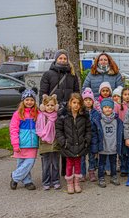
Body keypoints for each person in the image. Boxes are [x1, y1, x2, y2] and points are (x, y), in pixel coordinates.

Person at [39, 49, 80, 177]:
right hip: (52, 110)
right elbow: (43, 93)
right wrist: (44, 106)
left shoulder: (72, 75)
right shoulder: (48, 74)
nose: (62, 60)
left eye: (64, 58)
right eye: (60, 58)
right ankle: (49, 170)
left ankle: (64, 170)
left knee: (66, 137)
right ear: (56, 59)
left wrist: (74, 106)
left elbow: (76, 92)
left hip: (67, 110)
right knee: (52, 138)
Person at [56, 93, 91, 194]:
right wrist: (63, 142)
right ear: (70, 103)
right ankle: (70, 184)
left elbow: (88, 129)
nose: (76, 105)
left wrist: (86, 140)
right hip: (68, 145)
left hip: (80, 145)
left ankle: (77, 183)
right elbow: (59, 130)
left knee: (78, 164)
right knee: (69, 164)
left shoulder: (84, 116)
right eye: (74, 102)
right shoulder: (64, 116)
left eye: (78, 103)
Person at [9, 88, 39, 191]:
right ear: (23, 101)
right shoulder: (18, 114)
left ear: (34, 101)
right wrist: (15, 144)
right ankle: (27, 181)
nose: (29, 102)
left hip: (32, 143)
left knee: (29, 163)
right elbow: (13, 129)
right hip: (21, 143)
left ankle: (15, 176)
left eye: (31, 100)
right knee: (21, 163)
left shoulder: (37, 113)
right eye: (27, 100)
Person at [96, 98, 123, 188]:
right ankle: (101, 177)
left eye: (109, 107)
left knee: (113, 163)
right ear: (102, 108)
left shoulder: (117, 120)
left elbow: (120, 132)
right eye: (105, 107)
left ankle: (113, 176)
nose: (107, 109)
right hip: (103, 146)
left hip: (113, 146)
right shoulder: (98, 120)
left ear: (113, 108)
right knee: (101, 163)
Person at [36, 94, 60, 190]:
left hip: (55, 142)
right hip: (44, 142)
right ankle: (46, 181)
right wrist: (43, 135)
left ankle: (56, 180)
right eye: (48, 105)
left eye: (52, 105)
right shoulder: (41, 116)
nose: (50, 107)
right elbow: (38, 129)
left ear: (55, 106)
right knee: (46, 164)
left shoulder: (57, 116)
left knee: (55, 163)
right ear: (44, 106)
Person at [81, 88, 100, 182]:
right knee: (82, 157)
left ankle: (91, 172)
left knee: (92, 156)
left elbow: (98, 127)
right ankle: (82, 173)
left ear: (93, 101)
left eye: (90, 100)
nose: (88, 102)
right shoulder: (81, 112)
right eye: (85, 100)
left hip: (93, 138)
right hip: (83, 138)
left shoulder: (96, 113)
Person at [113, 87, 129, 177]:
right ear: (122, 96)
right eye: (125, 94)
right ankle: (124, 168)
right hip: (121, 131)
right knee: (123, 151)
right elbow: (115, 117)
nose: (127, 96)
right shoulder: (118, 106)